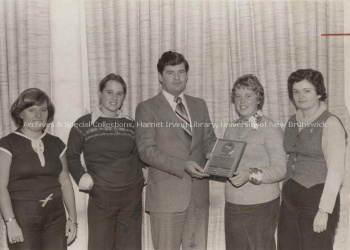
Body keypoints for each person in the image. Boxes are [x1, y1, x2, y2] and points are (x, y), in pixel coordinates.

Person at [135, 51, 216, 250]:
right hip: (166, 199)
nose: (177, 77)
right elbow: (146, 151)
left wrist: (219, 155)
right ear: (160, 77)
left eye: (181, 72)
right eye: (170, 73)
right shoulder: (146, 108)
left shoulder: (199, 105)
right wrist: (183, 166)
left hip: (198, 197)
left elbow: (208, 140)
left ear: (187, 75)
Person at [67, 73, 144, 250]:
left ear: (124, 96)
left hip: (131, 199)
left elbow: (140, 154)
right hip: (101, 199)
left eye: (119, 93)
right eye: (109, 92)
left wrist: (142, 176)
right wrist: (87, 182)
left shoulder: (130, 124)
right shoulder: (83, 124)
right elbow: (71, 157)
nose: (114, 97)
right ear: (100, 93)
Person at [0, 88, 77, 250]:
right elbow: (0, 186)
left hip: (56, 216)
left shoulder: (56, 144)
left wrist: (73, 219)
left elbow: (65, 181)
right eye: (31, 110)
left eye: (43, 110)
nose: (38, 115)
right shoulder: (7, 144)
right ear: (20, 114)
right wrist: (10, 222)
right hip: (23, 216)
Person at [278, 69, 346, 250]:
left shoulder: (330, 123)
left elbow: (336, 171)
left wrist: (324, 211)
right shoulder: (292, 120)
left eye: (306, 91)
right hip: (289, 200)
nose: (300, 96)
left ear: (319, 92)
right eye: (296, 92)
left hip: (317, 199)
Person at [224, 74, 286, 249]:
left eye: (248, 95)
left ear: (259, 99)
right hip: (233, 203)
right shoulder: (231, 128)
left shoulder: (270, 128)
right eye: (238, 96)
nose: (242, 101)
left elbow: (281, 169)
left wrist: (250, 175)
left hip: (262, 205)